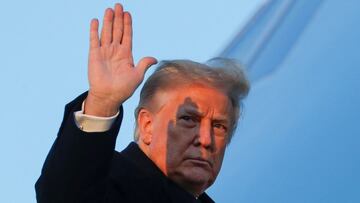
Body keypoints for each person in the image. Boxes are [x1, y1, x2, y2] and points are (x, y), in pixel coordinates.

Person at [35, 3, 249, 203]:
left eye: (219, 126)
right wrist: (102, 103)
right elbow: (64, 195)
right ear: (147, 126)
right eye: (188, 119)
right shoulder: (110, 183)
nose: (205, 140)